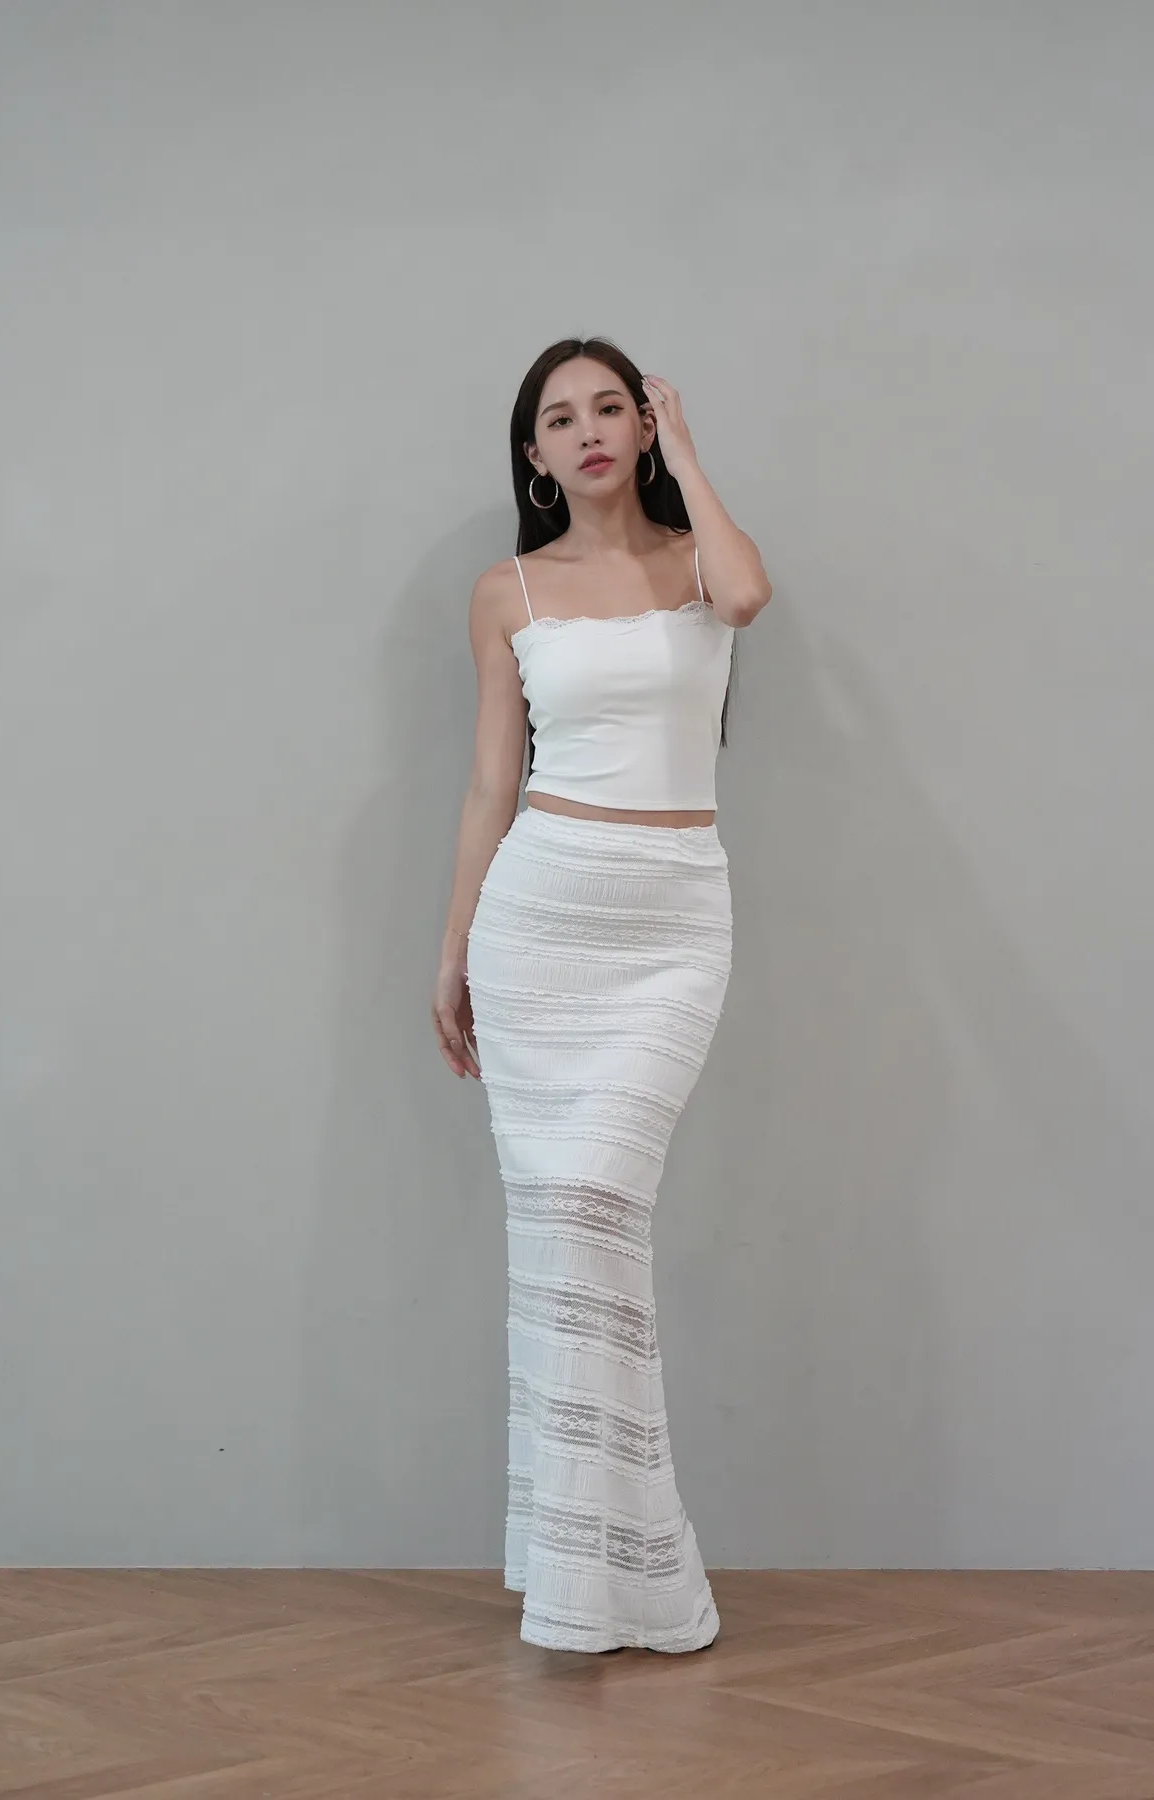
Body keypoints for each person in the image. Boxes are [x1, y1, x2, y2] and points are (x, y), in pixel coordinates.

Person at [432, 336, 771, 1654]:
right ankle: (601, 1574)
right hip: (541, 919)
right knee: (569, 1231)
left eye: (611, 409)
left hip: (674, 923)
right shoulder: (506, 591)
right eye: (560, 417)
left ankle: (618, 1567)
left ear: (642, 426)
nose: (587, 431)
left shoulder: (699, 567)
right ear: (533, 453)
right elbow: (489, 783)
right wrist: (454, 949)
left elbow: (748, 596)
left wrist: (689, 453)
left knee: (597, 1210)